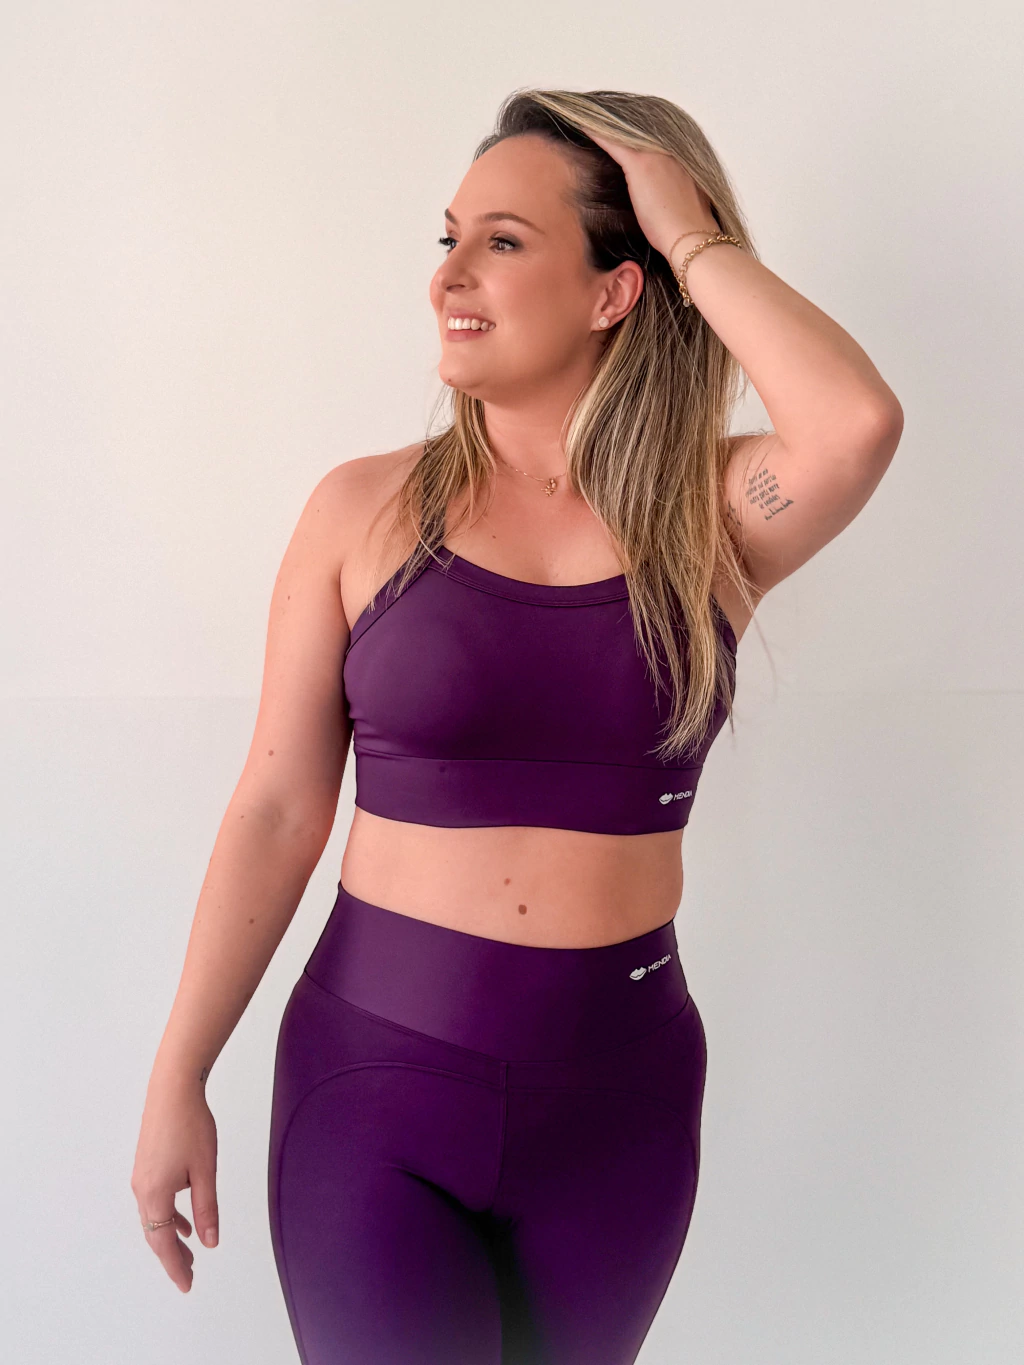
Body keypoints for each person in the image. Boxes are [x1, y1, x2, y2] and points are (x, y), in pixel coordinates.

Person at [131, 87, 903, 1364]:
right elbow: (274, 807)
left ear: (615, 289)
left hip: (621, 1108)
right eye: (448, 238)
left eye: (501, 241)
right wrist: (179, 1072)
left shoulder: (708, 522)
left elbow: (856, 423)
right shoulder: (361, 513)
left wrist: (688, 233)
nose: (448, 276)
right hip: (374, 1096)